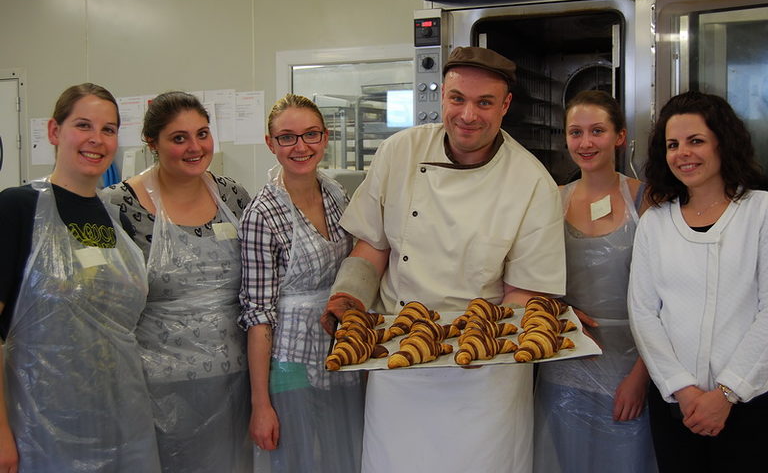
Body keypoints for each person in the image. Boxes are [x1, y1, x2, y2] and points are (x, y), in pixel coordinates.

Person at [322, 46, 566, 473]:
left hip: (484, 374)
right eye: (457, 99)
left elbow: (523, 293)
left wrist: (477, 341)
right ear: (442, 98)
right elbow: (373, 246)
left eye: (484, 103)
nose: (468, 115)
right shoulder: (400, 152)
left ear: (505, 105)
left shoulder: (532, 183)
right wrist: (347, 296)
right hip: (400, 358)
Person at [0, 83, 161, 472]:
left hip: (124, 419)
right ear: (55, 132)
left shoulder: (117, 217)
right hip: (42, 428)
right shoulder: (18, 208)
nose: (97, 139)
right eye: (83, 125)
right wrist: (2, 433)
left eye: (108, 129)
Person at [104, 91, 252, 472]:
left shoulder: (233, 197)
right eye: (179, 138)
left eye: (202, 134)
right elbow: (107, 306)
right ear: (152, 143)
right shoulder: (120, 205)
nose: (195, 147)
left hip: (238, 378)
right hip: (158, 386)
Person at [628, 91, 768, 472]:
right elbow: (643, 313)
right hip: (676, 405)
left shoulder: (761, 212)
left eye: (696, 141)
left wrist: (727, 392)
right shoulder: (655, 223)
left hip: (750, 404)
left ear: (723, 143)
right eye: (673, 144)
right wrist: (683, 389)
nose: (683, 153)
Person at [238, 94, 364, 472]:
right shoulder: (261, 214)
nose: (301, 147)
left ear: (325, 138)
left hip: (340, 348)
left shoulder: (335, 192)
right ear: (270, 143)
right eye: (287, 137)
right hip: (289, 359)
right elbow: (258, 315)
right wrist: (261, 405)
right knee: (300, 461)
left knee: (346, 454)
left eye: (310, 135)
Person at [533, 90, 656, 472]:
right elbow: (528, 282)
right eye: (576, 132)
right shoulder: (551, 201)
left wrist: (642, 378)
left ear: (619, 136)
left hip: (632, 367)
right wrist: (556, 309)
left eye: (597, 131)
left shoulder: (645, 201)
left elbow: (666, 299)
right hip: (564, 366)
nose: (585, 143)